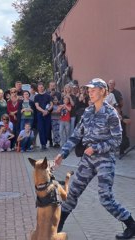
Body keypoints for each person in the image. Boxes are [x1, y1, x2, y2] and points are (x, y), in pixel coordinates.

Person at [54, 78, 135, 239]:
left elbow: (117, 140)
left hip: (104, 160)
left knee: (105, 198)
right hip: (88, 160)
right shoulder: (88, 112)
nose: (89, 92)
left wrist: (96, 147)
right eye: (88, 90)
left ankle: (131, 225)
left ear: (102, 91)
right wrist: (62, 153)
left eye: (93, 90)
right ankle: (57, 227)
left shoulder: (111, 113)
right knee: (72, 193)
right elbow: (76, 135)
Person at [34, 82, 53, 150]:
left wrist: (47, 111)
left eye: (42, 87)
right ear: (38, 88)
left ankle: (45, 141)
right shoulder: (36, 96)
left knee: (47, 129)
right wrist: (43, 111)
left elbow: (51, 104)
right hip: (40, 115)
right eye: (39, 87)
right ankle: (43, 144)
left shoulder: (48, 96)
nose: (41, 88)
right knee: (41, 129)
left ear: (43, 87)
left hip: (47, 115)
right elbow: (37, 106)